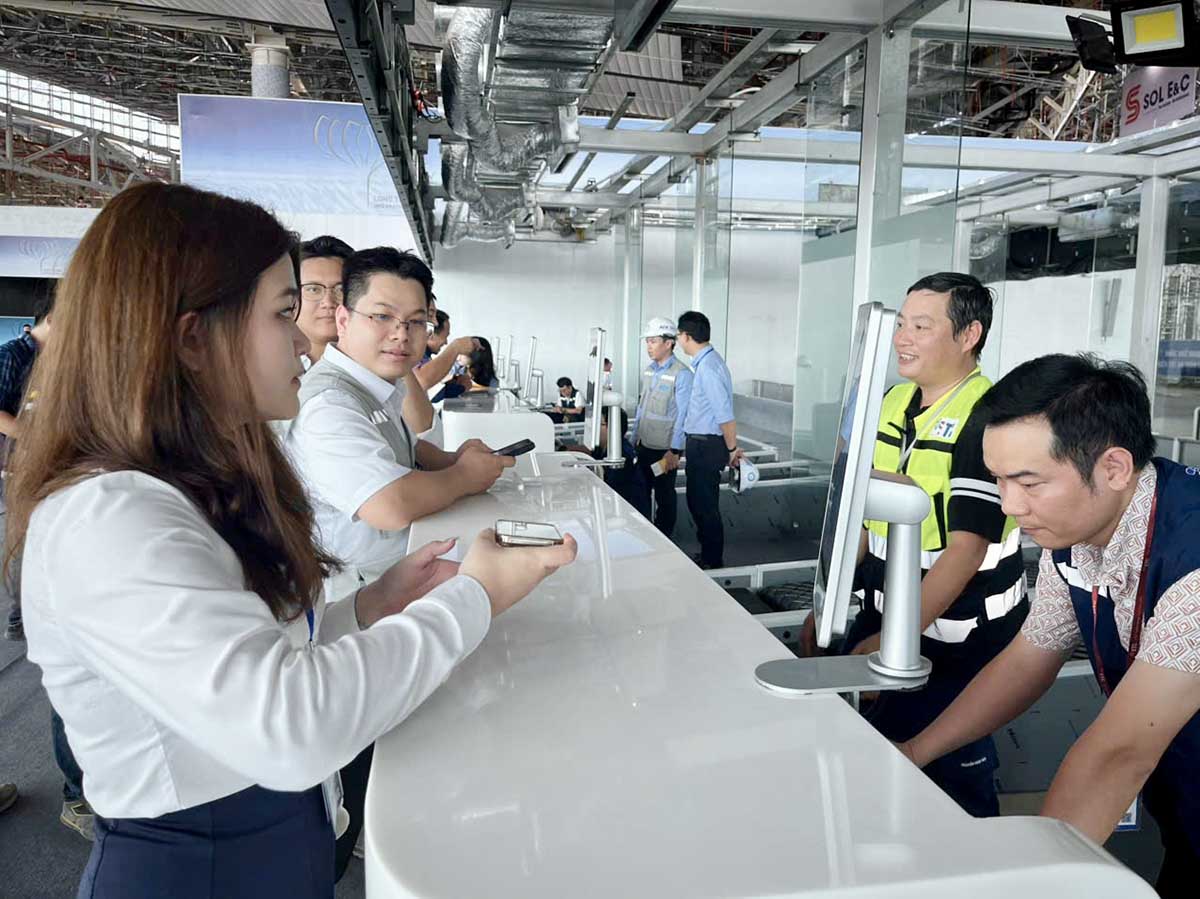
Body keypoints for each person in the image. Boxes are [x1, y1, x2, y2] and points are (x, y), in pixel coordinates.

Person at [14, 181, 576, 898]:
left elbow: (252, 659)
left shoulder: (183, 481)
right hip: (199, 862)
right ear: (193, 337)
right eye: (286, 314)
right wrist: (475, 596)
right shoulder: (108, 518)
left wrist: (372, 605)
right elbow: (287, 725)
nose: (306, 342)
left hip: (270, 835)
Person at [897, 354, 1199, 898]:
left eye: (1029, 482)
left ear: (1113, 468)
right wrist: (917, 751)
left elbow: (1119, 752)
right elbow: (1028, 657)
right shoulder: (1080, 536)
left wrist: (1030, 886)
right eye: (999, 481)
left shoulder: (1193, 556)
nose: (1011, 506)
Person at [802, 272, 1028, 819]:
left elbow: (965, 551)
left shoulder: (987, 419)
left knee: (949, 775)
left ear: (968, 334)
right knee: (872, 759)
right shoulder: (892, 401)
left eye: (922, 326)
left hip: (958, 642)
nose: (904, 337)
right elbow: (860, 513)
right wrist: (825, 601)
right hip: (890, 619)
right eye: (902, 323)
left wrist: (888, 644)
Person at [0, 297, 94, 840]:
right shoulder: (15, 355)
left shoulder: (72, 364)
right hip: (37, 485)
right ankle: (79, 796)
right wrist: (32, 439)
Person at [676, 311, 741, 570]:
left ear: (688, 336)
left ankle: (713, 559)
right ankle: (707, 554)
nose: (678, 340)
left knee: (705, 505)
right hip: (700, 443)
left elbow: (725, 415)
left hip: (707, 445)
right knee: (698, 502)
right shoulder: (705, 364)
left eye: (679, 335)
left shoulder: (709, 368)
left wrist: (733, 449)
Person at [630, 317, 693, 538]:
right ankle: (646, 534)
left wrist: (675, 450)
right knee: (641, 491)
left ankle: (665, 537)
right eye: (647, 341)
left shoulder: (682, 374)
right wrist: (633, 437)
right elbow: (642, 407)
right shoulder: (649, 371)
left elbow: (683, 416)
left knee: (665, 495)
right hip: (644, 444)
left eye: (653, 341)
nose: (649, 346)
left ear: (669, 343)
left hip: (665, 449)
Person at [297, 235, 353, 368]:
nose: (328, 302)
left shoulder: (385, 362)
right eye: (313, 289)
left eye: (340, 290)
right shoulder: (265, 361)